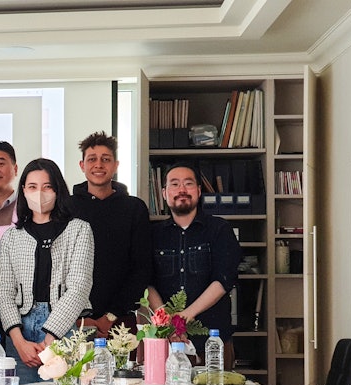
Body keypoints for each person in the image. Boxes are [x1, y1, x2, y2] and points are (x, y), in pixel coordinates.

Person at [0, 158, 95, 384]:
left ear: (58, 190)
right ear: (23, 191)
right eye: (32, 187)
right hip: (20, 330)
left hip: (65, 327)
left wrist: (52, 337)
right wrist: (18, 341)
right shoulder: (12, 236)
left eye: (47, 187)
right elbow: (4, 291)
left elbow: (79, 287)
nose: (39, 193)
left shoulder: (78, 229)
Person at [148, 162, 242, 361]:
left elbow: (224, 279)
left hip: (213, 341)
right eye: (174, 184)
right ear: (164, 193)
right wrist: (165, 321)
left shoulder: (219, 229)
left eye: (188, 183)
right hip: (167, 342)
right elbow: (146, 281)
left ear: (199, 191)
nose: (182, 190)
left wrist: (185, 316)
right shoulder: (153, 234)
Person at [69, 131, 152, 337]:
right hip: (73, 320)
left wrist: (111, 316)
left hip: (121, 320)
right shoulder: (66, 208)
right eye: (92, 159)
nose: (99, 165)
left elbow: (142, 267)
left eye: (105, 160)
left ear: (115, 165)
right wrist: (76, 317)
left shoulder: (134, 208)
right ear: (82, 166)